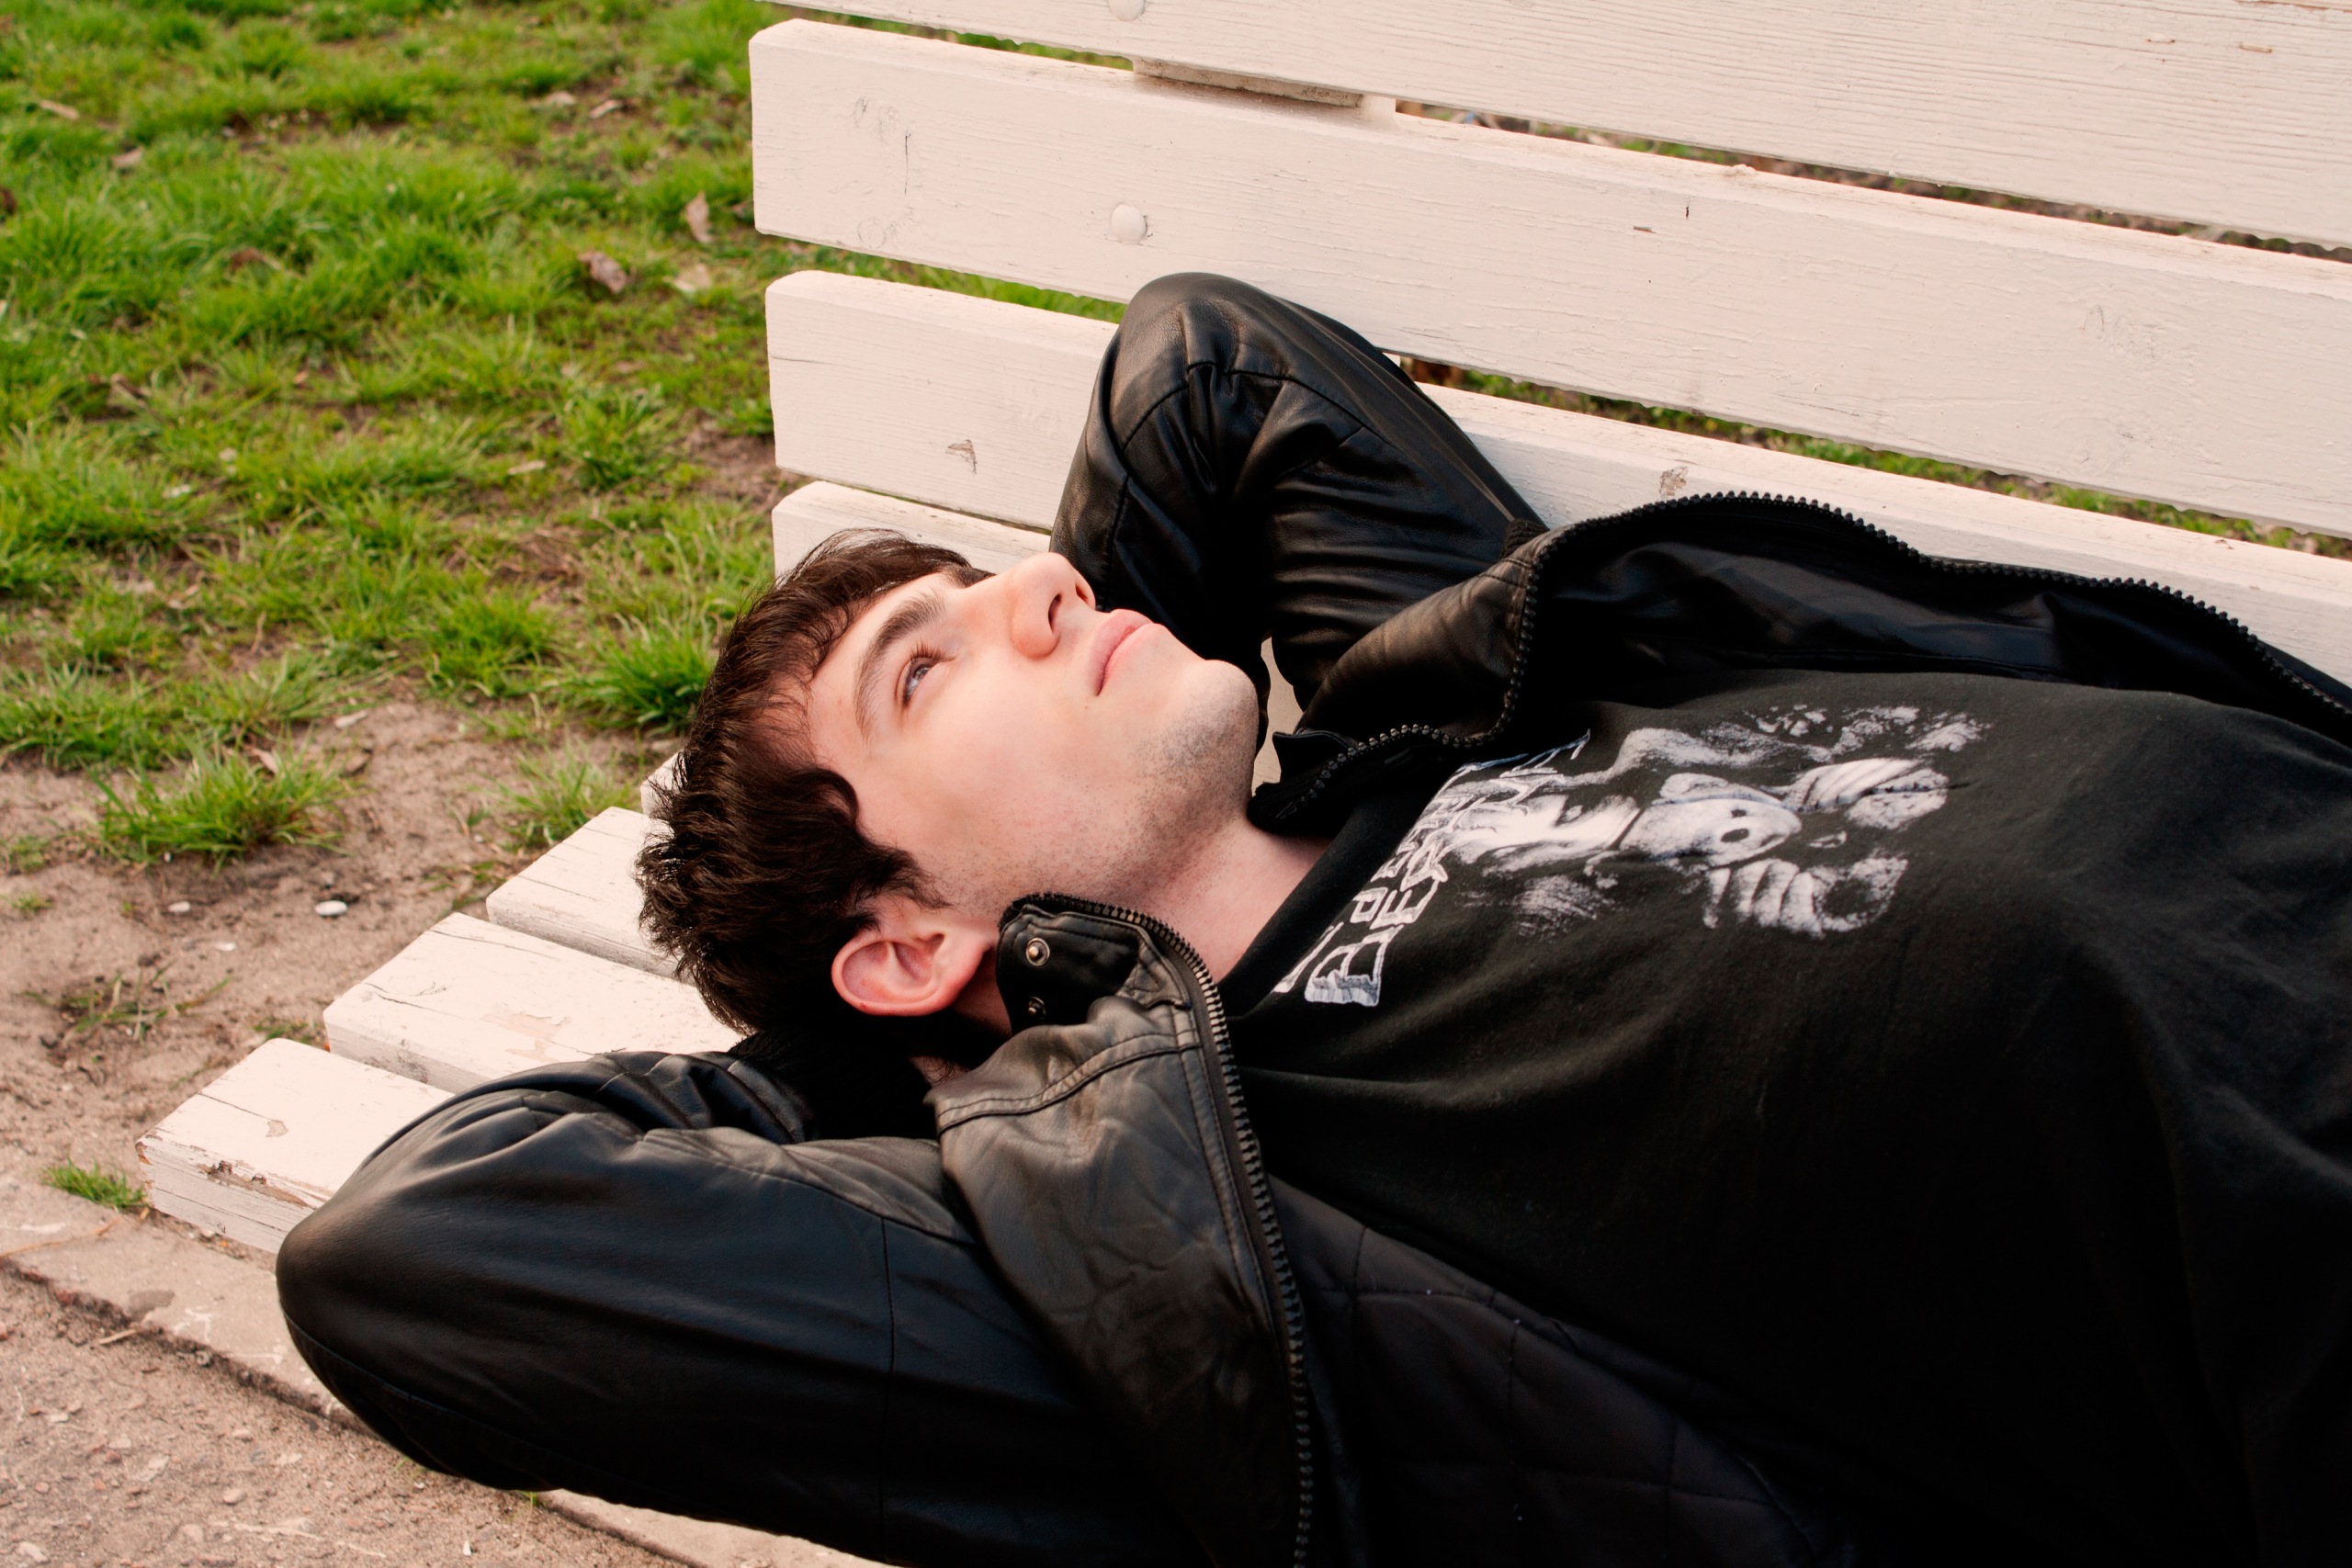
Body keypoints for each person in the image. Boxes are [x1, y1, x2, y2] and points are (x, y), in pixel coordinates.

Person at [277, 275, 2352, 1568]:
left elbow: (1203, 364)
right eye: (927, 667)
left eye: (998, 580)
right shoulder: (1231, 1236)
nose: (1042, 590)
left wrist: (1027, 868)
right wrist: (950, 1051)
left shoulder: (1426, 713)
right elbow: (418, 1249)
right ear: (900, 943)